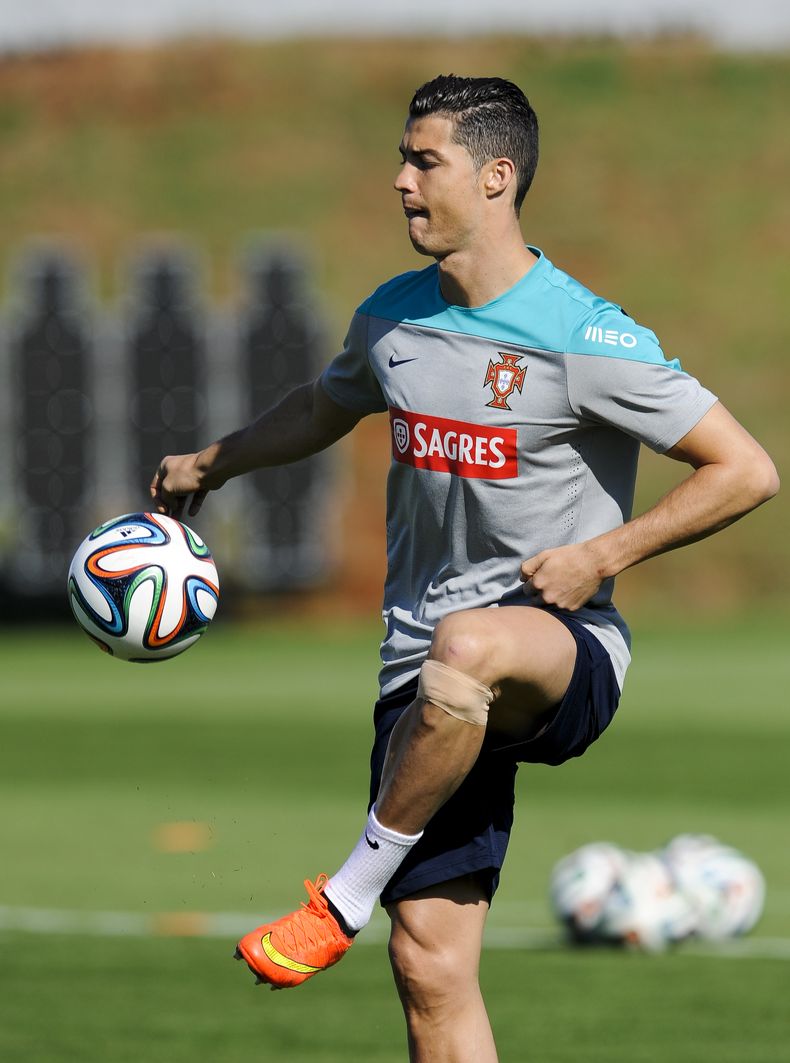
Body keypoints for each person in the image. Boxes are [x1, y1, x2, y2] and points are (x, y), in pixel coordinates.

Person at [151, 75, 778, 1061]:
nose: (399, 180)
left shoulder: (584, 335)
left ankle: (342, 894)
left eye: (423, 160)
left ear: (494, 176)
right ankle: (378, 901)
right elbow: (322, 409)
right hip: (422, 676)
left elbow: (745, 469)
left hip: (558, 649)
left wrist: (602, 554)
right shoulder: (393, 318)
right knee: (431, 966)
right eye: (402, 158)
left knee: (471, 640)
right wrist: (209, 464)